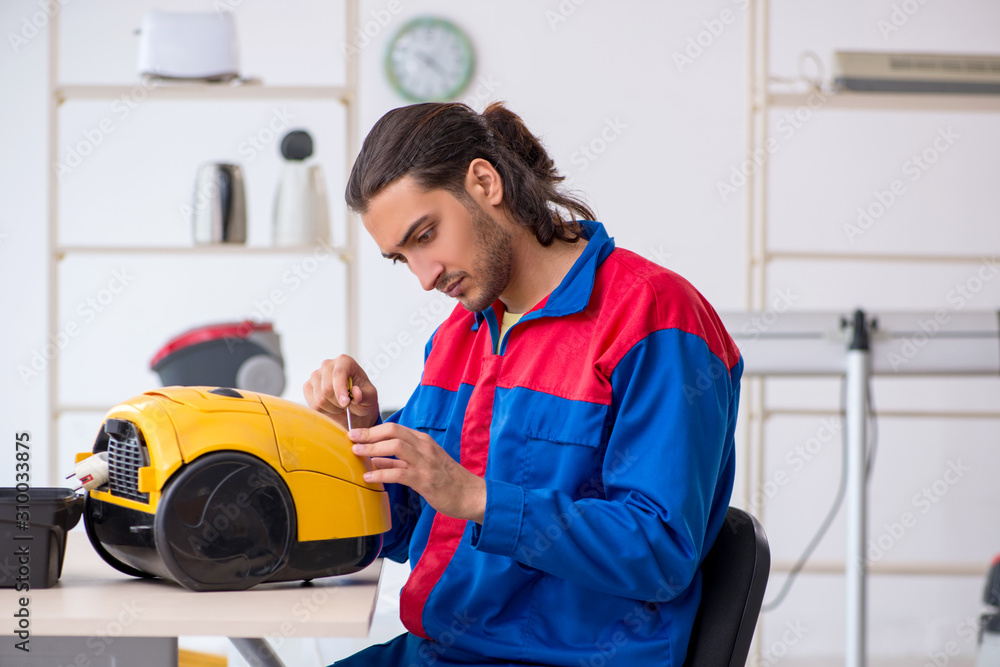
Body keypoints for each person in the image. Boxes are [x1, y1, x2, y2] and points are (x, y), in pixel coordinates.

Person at [304, 101, 743, 667]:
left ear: (484, 182)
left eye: (427, 234)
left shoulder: (654, 317)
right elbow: (414, 526)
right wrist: (362, 439)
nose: (425, 276)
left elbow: (658, 553)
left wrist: (476, 496)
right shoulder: (458, 337)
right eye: (401, 258)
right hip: (440, 651)